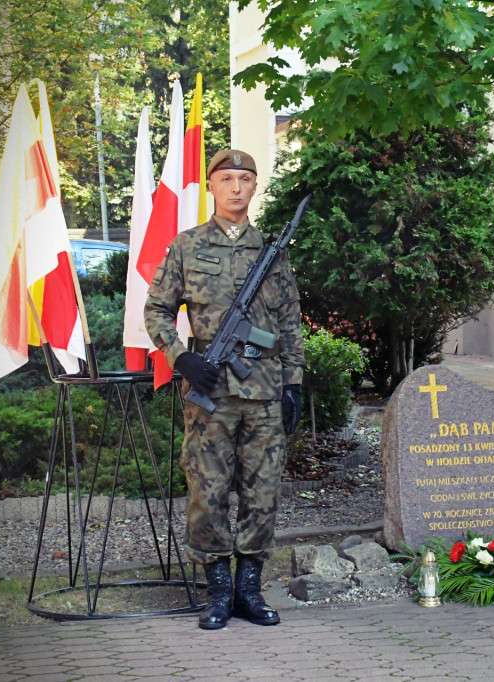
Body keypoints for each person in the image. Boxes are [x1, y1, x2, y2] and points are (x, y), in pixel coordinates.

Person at [144, 149, 305, 629]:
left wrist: (294, 383)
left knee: (263, 494)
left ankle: (248, 592)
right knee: (206, 493)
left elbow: (290, 321)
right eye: (226, 179)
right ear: (211, 186)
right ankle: (217, 593)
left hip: (263, 394)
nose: (236, 187)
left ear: (255, 187)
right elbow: (156, 312)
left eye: (245, 179)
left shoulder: (272, 252)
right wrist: (182, 358)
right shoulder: (187, 246)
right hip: (210, 397)